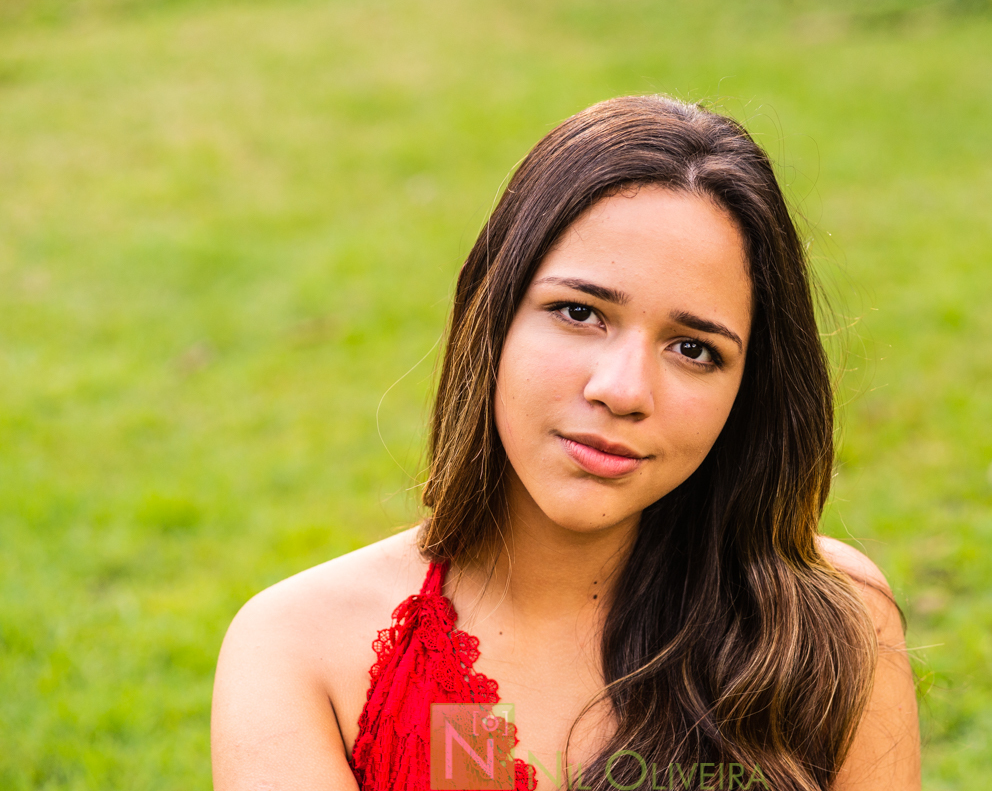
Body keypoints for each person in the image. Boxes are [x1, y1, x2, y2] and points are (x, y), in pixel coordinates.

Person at [211, 95, 921, 791]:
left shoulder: (828, 623)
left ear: (748, 390)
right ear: (493, 314)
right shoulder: (300, 647)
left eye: (693, 349)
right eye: (580, 312)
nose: (623, 390)